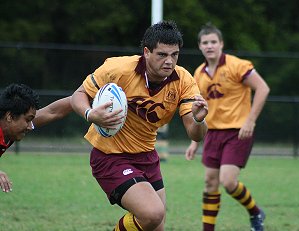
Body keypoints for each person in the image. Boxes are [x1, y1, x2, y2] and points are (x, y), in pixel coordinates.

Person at [70, 20, 208, 231]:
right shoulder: (118, 69)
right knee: (153, 214)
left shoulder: (184, 81)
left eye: (175, 55)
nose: (169, 61)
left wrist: (199, 119)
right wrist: (90, 114)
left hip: (146, 156)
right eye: (162, 54)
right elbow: (78, 95)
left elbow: (196, 135)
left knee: (156, 225)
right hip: (110, 156)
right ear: (146, 52)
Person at [185, 23, 270, 231]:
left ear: (221, 44)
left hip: (237, 132)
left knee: (228, 181)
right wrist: (194, 142)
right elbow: (200, 110)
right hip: (212, 133)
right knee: (210, 182)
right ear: (200, 46)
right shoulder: (199, 74)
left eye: (214, 42)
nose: (210, 46)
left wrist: (250, 120)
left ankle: (255, 212)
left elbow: (262, 88)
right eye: (205, 43)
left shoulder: (237, 66)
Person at [0, 83, 72, 193]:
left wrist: (86, 94)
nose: (30, 126)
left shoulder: (9, 127)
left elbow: (52, 112)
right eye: (28, 120)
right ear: (9, 117)